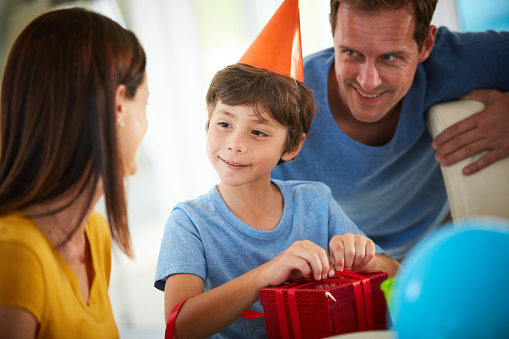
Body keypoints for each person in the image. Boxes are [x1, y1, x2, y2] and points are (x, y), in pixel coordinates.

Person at [155, 62, 400, 338]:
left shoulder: (315, 201)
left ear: (291, 146)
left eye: (258, 132)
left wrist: (364, 258)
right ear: (207, 125)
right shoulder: (189, 222)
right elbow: (179, 328)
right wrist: (267, 274)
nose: (235, 143)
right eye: (224, 124)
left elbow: (397, 275)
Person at [271, 0, 509, 260]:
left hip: (440, 247)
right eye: (351, 52)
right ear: (332, 28)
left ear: (426, 45)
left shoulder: (454, 61)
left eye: (390, 57)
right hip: (333, 268)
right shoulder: (280, 101)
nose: (368, 82)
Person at [0, 7, 148, 338]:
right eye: (146, 106)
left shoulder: (92, 233)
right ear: (119, 105)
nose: (146, 125)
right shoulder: (14, 252)